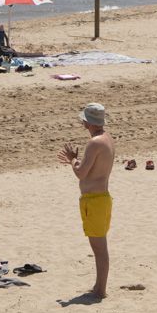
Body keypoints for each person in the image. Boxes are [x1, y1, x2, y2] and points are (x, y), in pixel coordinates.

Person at [58, 103, 115, 299]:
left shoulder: (95, 143)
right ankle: (99, 286)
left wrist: (72, 159)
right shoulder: (106, 139)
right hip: (100, 199)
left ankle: (101, 290)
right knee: (99, 247)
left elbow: (81, 174)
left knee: (99, 248)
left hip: (95, 201)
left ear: (87, 121)